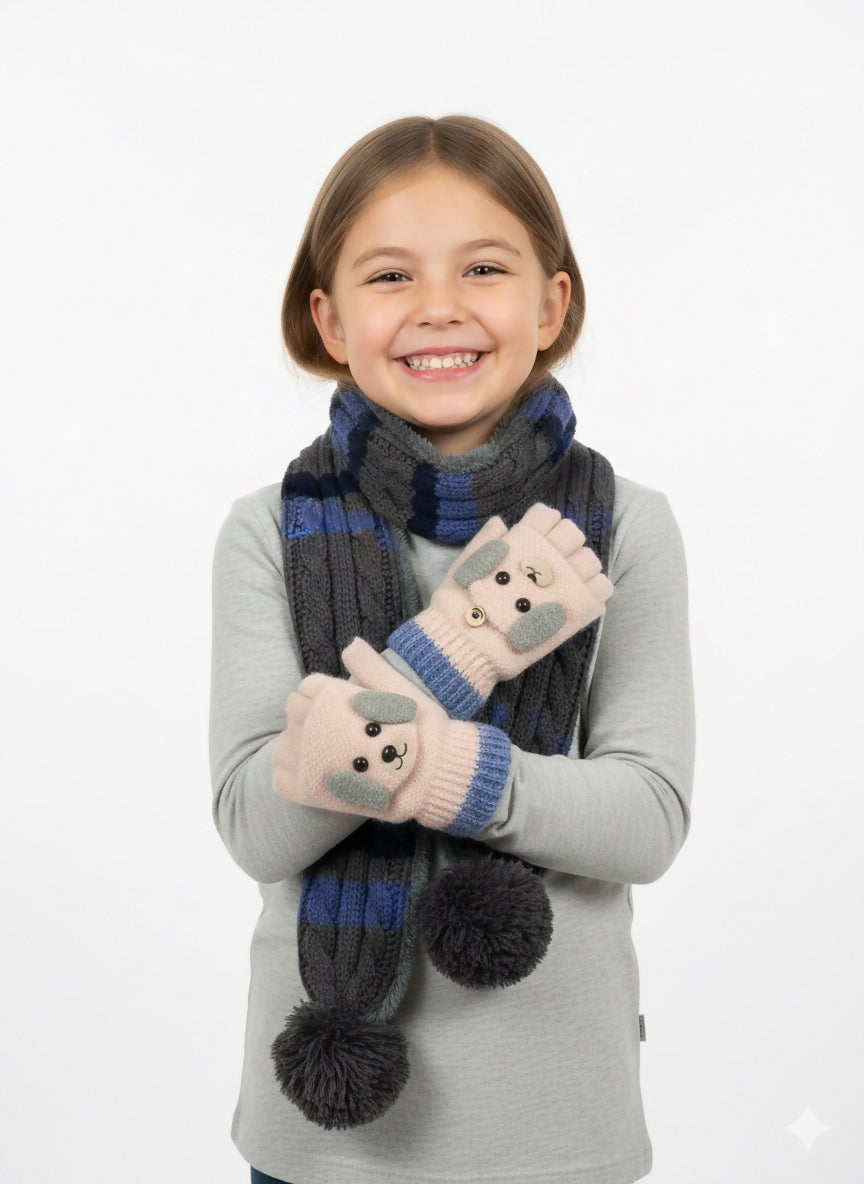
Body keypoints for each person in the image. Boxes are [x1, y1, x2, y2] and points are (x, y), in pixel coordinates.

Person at [209, 114, 696, 1184]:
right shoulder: (264, 530)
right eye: (391, 275)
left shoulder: (621, 528)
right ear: (328, 317)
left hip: (562, 1131)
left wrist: (442, 771)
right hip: (323, 1144)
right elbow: (258, 821)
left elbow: (648, 817)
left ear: (551, 302)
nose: (439, 306)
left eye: (483, 266)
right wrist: (467, 642)